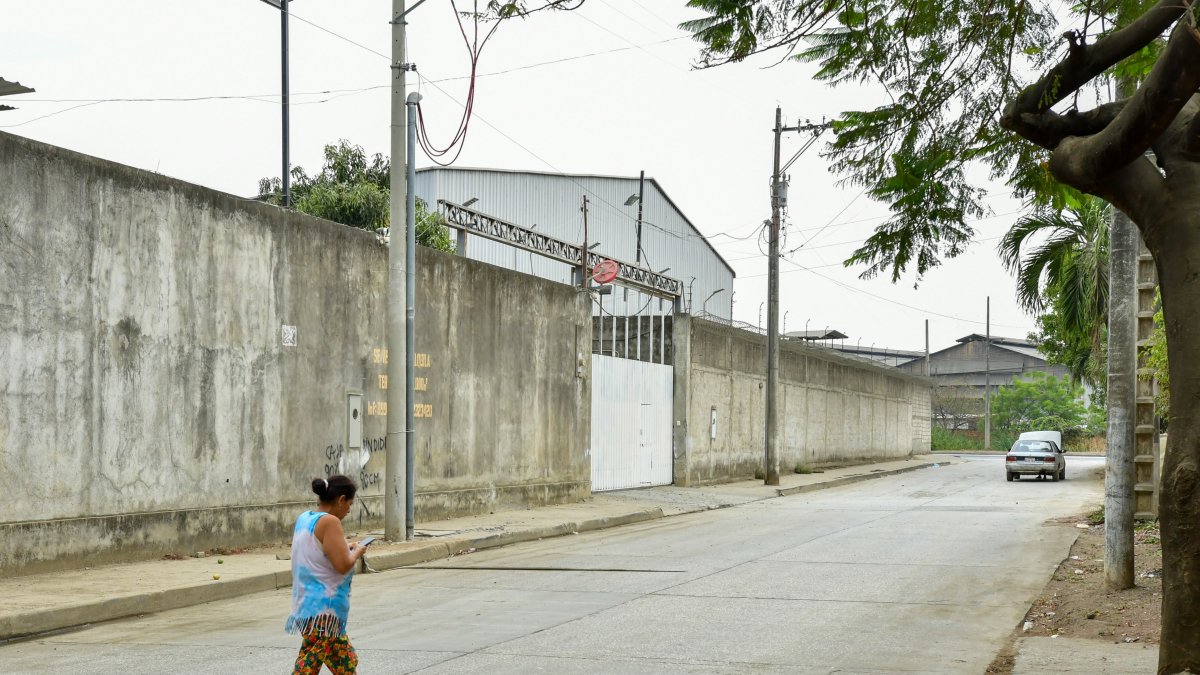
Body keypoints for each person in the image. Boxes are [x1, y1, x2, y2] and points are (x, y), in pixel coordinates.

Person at [285, 475, 369, 675]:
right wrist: (357, 551)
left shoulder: (306, 518)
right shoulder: (330, 522)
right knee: (308, 666)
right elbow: (342, 565)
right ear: (340, 500)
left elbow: (316, 552)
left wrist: (345, 547)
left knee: (345, 664)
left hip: (307, 607)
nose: (349, 510)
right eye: (349, 504)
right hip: (324, 611)